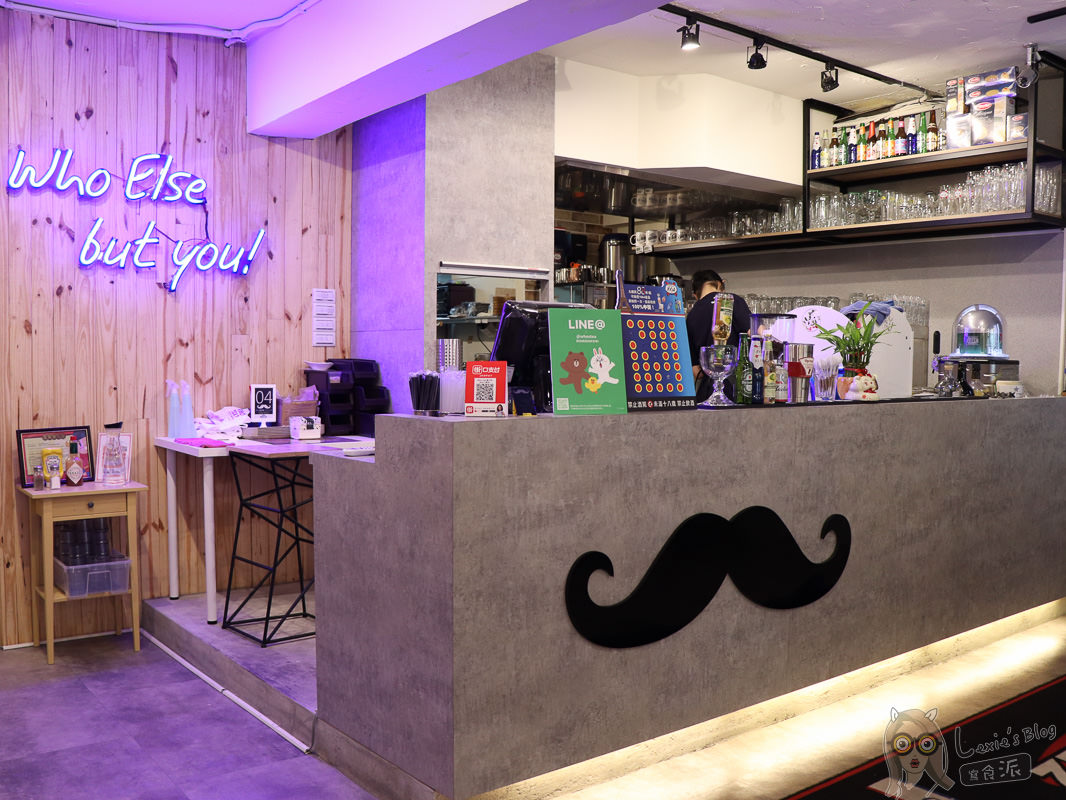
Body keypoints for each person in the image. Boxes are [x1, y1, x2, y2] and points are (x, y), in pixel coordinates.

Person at [686, 269, 752, 403]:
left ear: (695, 295)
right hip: (737, 389)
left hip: (706, 394)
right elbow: (755, 333)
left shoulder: (691, 315)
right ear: (720, 284)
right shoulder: (731, 301)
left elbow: (696, 372)